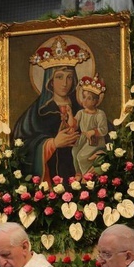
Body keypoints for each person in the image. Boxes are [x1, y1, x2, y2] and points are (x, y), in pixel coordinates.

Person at [13, 36, 89, 181]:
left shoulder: (82, 109)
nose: (65, 83)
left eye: (69, 77)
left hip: (80, 179)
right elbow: (21, 146)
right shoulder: (36, 112)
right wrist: (52, 144)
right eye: (59, 77)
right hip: (49, 182)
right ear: (50, 81)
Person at [71, 75, 108, 176]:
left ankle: (86, 175)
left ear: (96, 101)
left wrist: (93, 132)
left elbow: (104, 130)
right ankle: (78, 173)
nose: (85, 100)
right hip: (83, 138)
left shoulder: (100, 114)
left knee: (82, 156)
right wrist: (70, 114)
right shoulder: (81, 113)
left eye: (89, 98)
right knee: (75, 152)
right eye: (84, 97)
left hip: (95, 141)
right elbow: (74, 125)